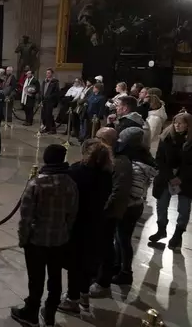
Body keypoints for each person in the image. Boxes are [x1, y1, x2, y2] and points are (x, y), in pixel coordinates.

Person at [11, 144, 78, 327]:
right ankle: (50, 313)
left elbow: (26, 217)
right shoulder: (70, 183)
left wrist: (23, 238)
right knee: (55, 278)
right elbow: (72, 213)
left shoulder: (37, 184)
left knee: (36, 278)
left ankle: (31, 312)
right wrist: (65, 232)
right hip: (60, 240)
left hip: (37, 241)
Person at [59, 139, 113, 315]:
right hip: (96, 223)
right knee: (87, 263)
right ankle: (83, 295)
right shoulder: (106, 174)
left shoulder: (78, 171)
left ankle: (72, 300)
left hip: (78, 223)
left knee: (75, 264)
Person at [89, 127, 132, 298]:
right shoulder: (105, 156)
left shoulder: (120, 161)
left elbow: (118, 192)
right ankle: (97, 274)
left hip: (109, 213)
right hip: (100, 211)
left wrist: (103, 210)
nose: (95, 140)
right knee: (99, 244)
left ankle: (103, 283)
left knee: (106, 246)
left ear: (107, 141)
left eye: (98, 138)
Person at [112, 127, 157, 285]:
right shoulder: (140, 157)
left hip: (130, 206)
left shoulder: (136, 164)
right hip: (133, 206)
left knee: (123, 240)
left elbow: (135, 190)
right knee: (119, 238)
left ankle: (126, 272)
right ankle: (117, 266)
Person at [149, 112, 192, 251]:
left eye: (181, 123)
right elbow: (159, 159)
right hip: (166, 176)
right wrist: (170, 176)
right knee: (161, 205)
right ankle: (161, 229)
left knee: (184, 209)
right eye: (175, 122)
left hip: (186, 179)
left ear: (188, 125)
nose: (177, 125)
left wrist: (181, 177)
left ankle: (178, 234)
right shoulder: (166, 137)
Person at [40, 68, 59, 134]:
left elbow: (56, 92)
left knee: (49, 115)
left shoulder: (55, 82)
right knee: (44, 115)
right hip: (44, 100)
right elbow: (42, 90)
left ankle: (53, 129)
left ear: (51, 74)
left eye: (49, 73)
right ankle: (46, 127)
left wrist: (49, 97)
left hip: (50, 101)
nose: (47, 74)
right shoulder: (44, 81)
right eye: (47, 73)